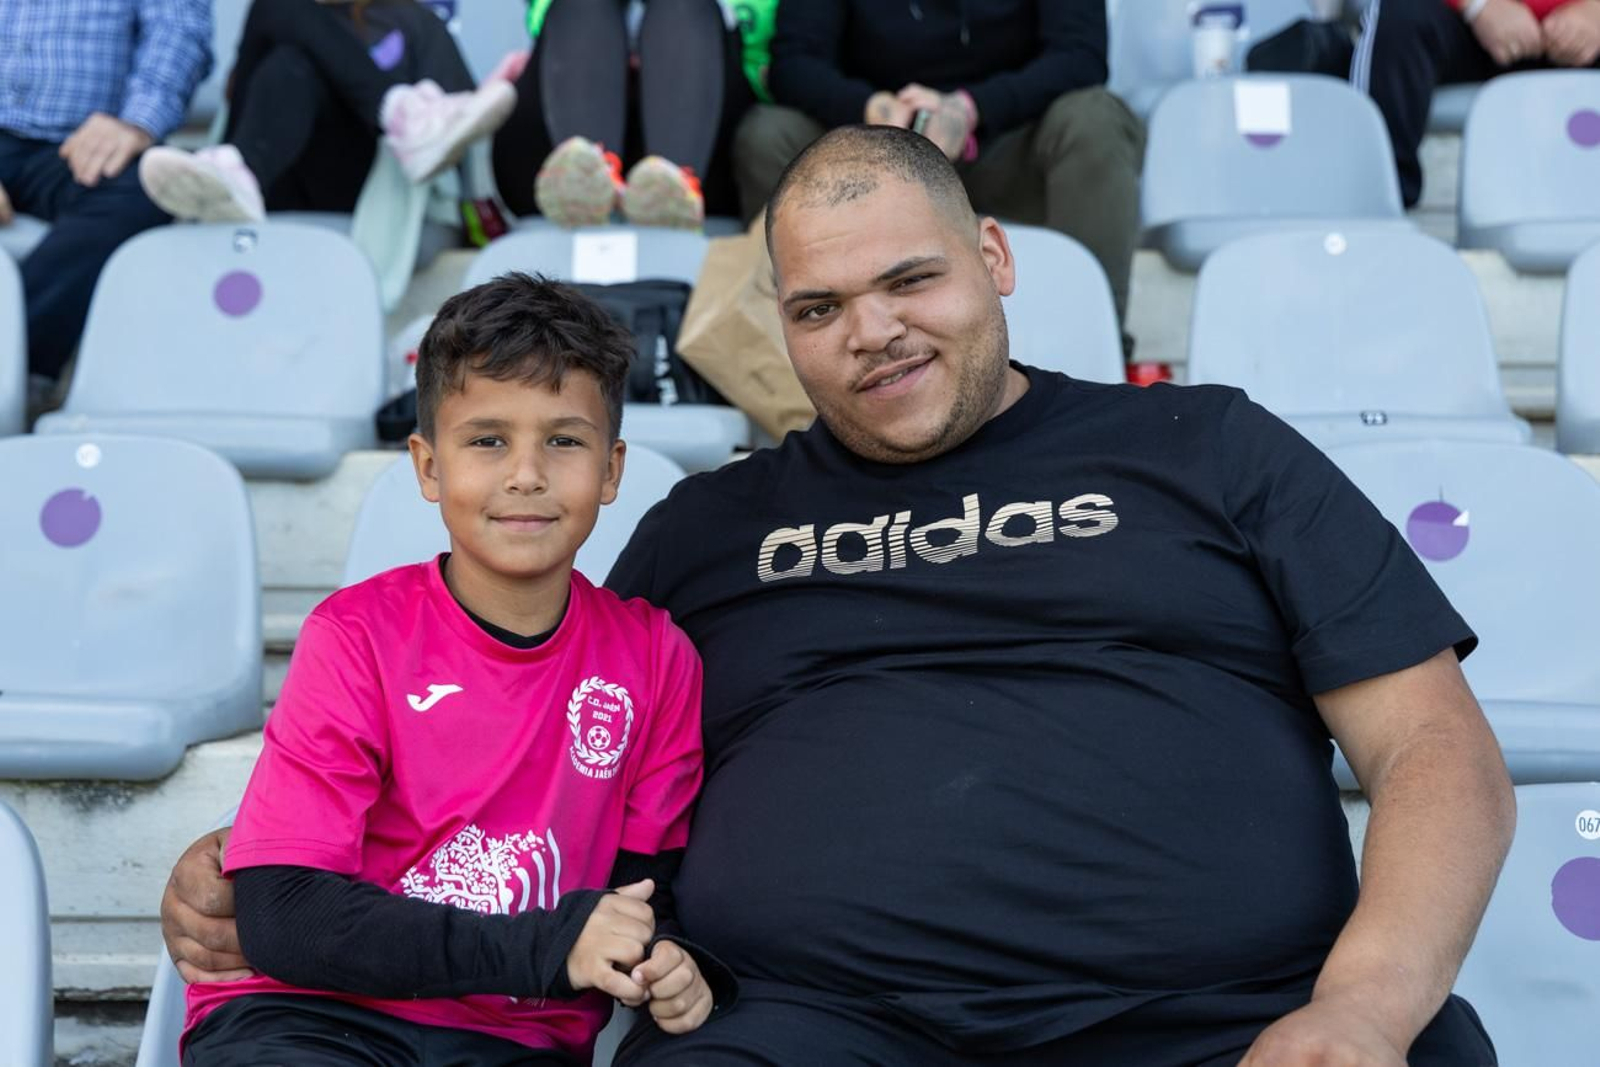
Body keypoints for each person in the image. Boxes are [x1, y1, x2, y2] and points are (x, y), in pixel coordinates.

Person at [164, 126, 1512, 1065]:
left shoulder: (1209, 446)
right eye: (820, 306)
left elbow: (1437, 747)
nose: (873, 330)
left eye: (911, 278)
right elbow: (525, 744)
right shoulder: (705, 529)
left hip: (1225, 1019)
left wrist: (1368, 1006)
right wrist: (279, 863)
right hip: (817, 1029)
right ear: (782, 327)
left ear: (994, 256)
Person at [176, 274, 730, 1065]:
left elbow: (647, 897)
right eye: (488, 439)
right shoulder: (356, 635)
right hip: (313, 1019)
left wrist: (669, 961)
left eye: (564, 441)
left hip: (515, 1038)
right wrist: (544, 944)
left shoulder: (655, 657)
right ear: (428, 466)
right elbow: (284, 914)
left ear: (611, 470)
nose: (526, 474)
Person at [732, 0, 1146, 337]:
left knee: (1096, 118)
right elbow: (794, 62)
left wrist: (970, 109)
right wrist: (874, 111)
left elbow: (1081, 56)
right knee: (769, 133)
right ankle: (789, 349)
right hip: (870, 160)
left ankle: (1097, 338)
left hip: (1005, 146)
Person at [138, 0, 513, 224]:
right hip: (274, 178)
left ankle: (410, 119)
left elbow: (462, 124)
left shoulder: (412, 20)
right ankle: (402, 114)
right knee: (288, 50)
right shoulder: (273, 14)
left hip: (361, 184)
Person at [0, 0, 209, 402]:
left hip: (85, 145)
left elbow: (178, 34)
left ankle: (14, 365)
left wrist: (136, 124)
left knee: (149, 185)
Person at [488, 0, 754, 229]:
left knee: (683, 8)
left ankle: (671, 190)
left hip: (708, 150)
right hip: (553, 139)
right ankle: (586, 180)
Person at [1353, 0, 1600, 207]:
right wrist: (1478, 6)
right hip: (1466, 21)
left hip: (1588, 24)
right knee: (1399, 20)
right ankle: (1374, 201)